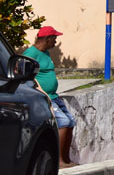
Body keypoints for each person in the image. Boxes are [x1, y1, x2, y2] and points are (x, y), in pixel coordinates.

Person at [23, 26, 76, 167]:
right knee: (63, 122)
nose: (55, 41)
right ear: (47, 39)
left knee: (71, 121)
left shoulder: (45, 53)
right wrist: (40, 90)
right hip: (45, 97)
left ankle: (66, 159)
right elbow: (25, 74)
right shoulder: (30, 53)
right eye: (54, 38)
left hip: (54, 96)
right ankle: (58, 161)